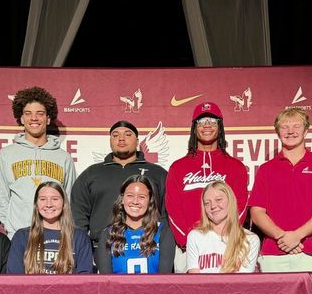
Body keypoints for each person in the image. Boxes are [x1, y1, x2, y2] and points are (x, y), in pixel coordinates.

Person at [249, 108, 312, 294]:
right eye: (285, 127)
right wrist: (282, 237)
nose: (290, 131)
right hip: (274, 253)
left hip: (310, 253)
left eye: (296, 126)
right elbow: (257, 213)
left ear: (306, 131)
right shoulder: (266, 170)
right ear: (277, 132)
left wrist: (297, 235)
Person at [166, 102, 249, 272]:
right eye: (201, 121)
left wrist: (226, 237)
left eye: (212, 121)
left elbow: (240, 205)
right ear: (194, 128)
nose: (207, 125)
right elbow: (172, 208)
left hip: (226, 245)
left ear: (220, 126)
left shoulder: (235, 166)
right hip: (187, 248)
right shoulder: (178, 167)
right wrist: (188, 240)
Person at [71, 120, 168, 252]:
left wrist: (164, 242)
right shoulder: (91, 173)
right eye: (115, 135)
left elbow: (166, 213)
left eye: (128, 134)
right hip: (102, 248)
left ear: (137, 141)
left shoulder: (157, 173)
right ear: (110, 141)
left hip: (146, 247)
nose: (121, 138)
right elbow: (78, 214)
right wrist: (81, 247)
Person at [0, 87, 76, 238]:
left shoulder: (64, 158)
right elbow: (1, 199)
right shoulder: (6, 155)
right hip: (18, 235)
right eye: (28, 113)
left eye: (40, 113)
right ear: (21, 119)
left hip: (54, 235)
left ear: (48, 119)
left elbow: (69, 198)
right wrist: (12, 229)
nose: (34, 118)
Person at [7, 181, 93, 274]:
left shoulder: (79, 237)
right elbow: (14, 277)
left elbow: (84, 277)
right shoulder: (22, 237)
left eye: (55, 199)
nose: (48, 204)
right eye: (43, 199)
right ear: (36, 204)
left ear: (64, 203)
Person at [96, 175, 174, 274]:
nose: (135, 201)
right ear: (122, 199)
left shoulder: (163, 232)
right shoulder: (108, 234)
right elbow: (106, 279)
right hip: (117, 285)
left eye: (141, 197)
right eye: (130, 196)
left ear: (150, 201)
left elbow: (165, 278)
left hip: (155, 285)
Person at [186, 181, 259, 273]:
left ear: (230, 201)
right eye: (207, 203)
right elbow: (194, 278)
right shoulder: (195, 236)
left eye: (218, 200)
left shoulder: (250, 239)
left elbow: (243, 280)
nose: (213, 206)